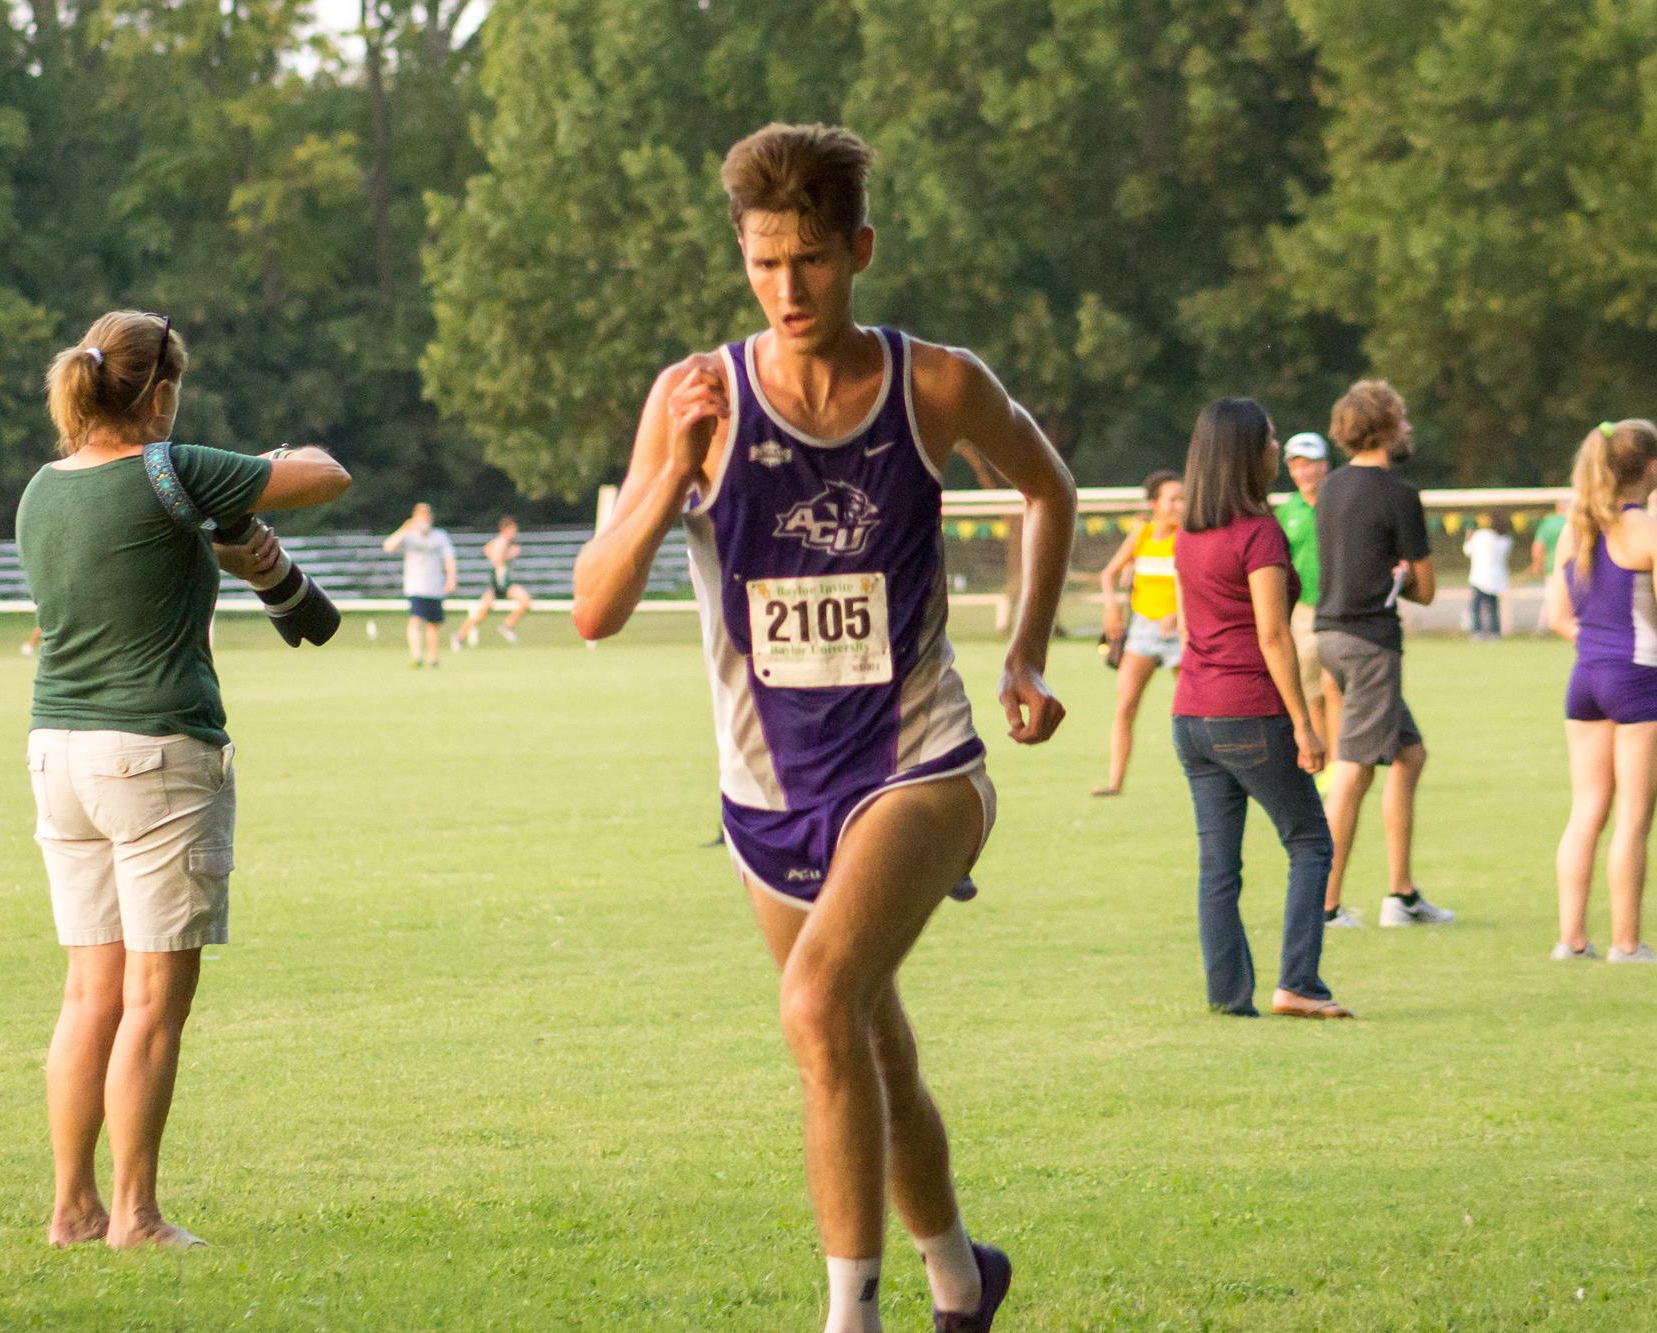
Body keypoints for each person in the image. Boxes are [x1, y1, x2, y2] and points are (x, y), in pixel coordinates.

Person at [572, 123, 1075, 1333]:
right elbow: (595, 606)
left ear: (858, 250)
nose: (786, 290)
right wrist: (667, 474)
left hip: (919, 764)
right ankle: (962, 1280)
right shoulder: (693, 395)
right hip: (767, 789)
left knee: (811, 1007)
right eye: (761, 264)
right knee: (863, 1043)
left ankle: (849, 1317)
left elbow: (1046, 487)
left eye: (809, 261)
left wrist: (1021, 652)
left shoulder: (934, 383)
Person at [17, 309, 350, 1250]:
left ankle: (72, 1207)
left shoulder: (41, 489)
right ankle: (135, 1213)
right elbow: (326, 476)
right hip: (158, 753)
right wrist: (259, 464)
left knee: (90, 992)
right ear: (159, 391)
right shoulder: (173, 467)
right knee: (156, 1003)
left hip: (59, 752)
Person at [1172, 399, 1347, 1018]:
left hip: (1191, 716)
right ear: (1248, 454)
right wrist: (1305, 724)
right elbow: (1273, 635)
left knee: (1218, 864)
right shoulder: (1259, 533)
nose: (1278, 450)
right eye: (1271, 440)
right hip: (1248, 711)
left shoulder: (1188, 533)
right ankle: (1299, 983)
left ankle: (1227, 995)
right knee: (1311, 843)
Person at [1314, 378, 1454, 928]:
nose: (1409, 426)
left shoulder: (1329, 488)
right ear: (1388, 426)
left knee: (1409, 755)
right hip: (1370, 643)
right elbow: (1426, 589)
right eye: (1403, 417)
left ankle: (1402, 895)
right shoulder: (1399, 493)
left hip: (1330, 635)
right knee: (1353, 773)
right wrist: (1402, 576)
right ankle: (1322, 906)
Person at [1542, 420, 1657, 964]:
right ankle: (1627, 944)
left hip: (1585, 680)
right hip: (1638, 680)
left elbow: (1556, 616)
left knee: (1587, 808)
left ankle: (1572, 939)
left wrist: (1601, 650)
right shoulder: (1646, 531)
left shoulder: (1577, 528)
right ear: (1651, 469)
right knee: (1634, 816)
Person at [1093, 471, 1184, 796]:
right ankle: (1115, 782)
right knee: (1126, 704)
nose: (1179, 505)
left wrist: (1178, 614)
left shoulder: (1188, 536)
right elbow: (1108, 575)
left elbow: (1198, 583)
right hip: (1144, 630)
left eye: (1182, 498)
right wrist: (1112, 608)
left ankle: (1209, 775)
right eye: (1172, 499)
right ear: (1155, 504)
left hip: (1182, 633)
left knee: (1194, 708)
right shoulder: (1142, 534)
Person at [1272, 432, 1336, 769]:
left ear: (1324, 465)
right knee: (1312, 690)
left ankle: (1342, 760)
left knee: (1335, 686)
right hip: (1304, 611)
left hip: (1340, 607)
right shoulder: (1286, 512)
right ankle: (1322, 758)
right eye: (1296, 465)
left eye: (1309, 464)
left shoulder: (1340, 502)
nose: (1303, 472)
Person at [381, 503, 455, 667]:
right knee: (415, 620)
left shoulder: (439, 536)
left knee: (434, 625)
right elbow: (388, 546)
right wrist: (404, 528)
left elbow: (449, 558)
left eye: (426, 515)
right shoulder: (409, 535)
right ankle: (417, 657)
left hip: (435, 586)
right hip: (416, 585)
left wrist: (451, 579)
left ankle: (433, 659)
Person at [454, 515, 533, 648]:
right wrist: (510, 555)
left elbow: (487, 549)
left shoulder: (505, 543)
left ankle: (507, 626)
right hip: (497, 582)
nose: (515, 533)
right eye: (513, 530)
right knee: (482, 612)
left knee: (525, 600)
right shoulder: (501, 542)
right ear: (505, 529)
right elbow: (497, 559)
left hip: (505, 583)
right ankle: (459, 636)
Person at [1463, 515, 1513, 639]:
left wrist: (1468, 537)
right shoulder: (1506, 540)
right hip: (1496, 578)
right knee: (1493, 606)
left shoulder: (1481, 535)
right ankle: (1495, 632)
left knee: (1476, 606)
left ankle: (1477, 631)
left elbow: (1467, 550)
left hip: (1479, 576)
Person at [1531, 497, 1573, 636]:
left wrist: (1538, 564)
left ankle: (1543, 629)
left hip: (1552, 568)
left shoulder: (1548, 522)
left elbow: (1538, 546)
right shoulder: (1576, 521)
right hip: (1575, 567)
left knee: (1551, 598)